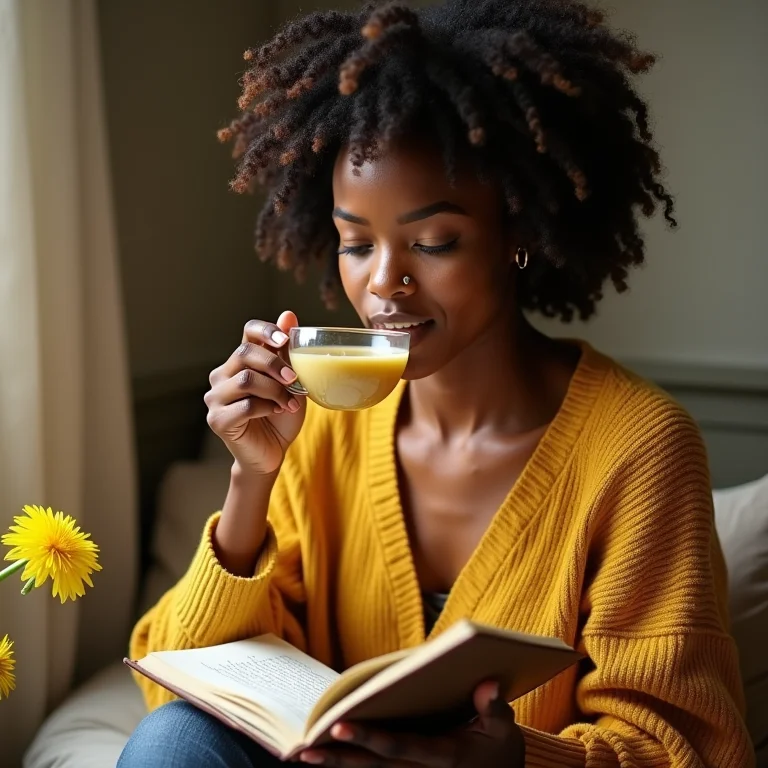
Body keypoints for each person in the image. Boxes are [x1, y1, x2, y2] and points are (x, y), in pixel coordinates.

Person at [118, 1, 754, 766]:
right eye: (356, 243)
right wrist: (252, 478)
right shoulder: (322, 421)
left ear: (517, 232)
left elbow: (686, 747)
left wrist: (513, 761)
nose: (385, 282)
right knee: (172, 738)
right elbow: (176, 679)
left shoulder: (639, 449)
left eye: (433, 241)